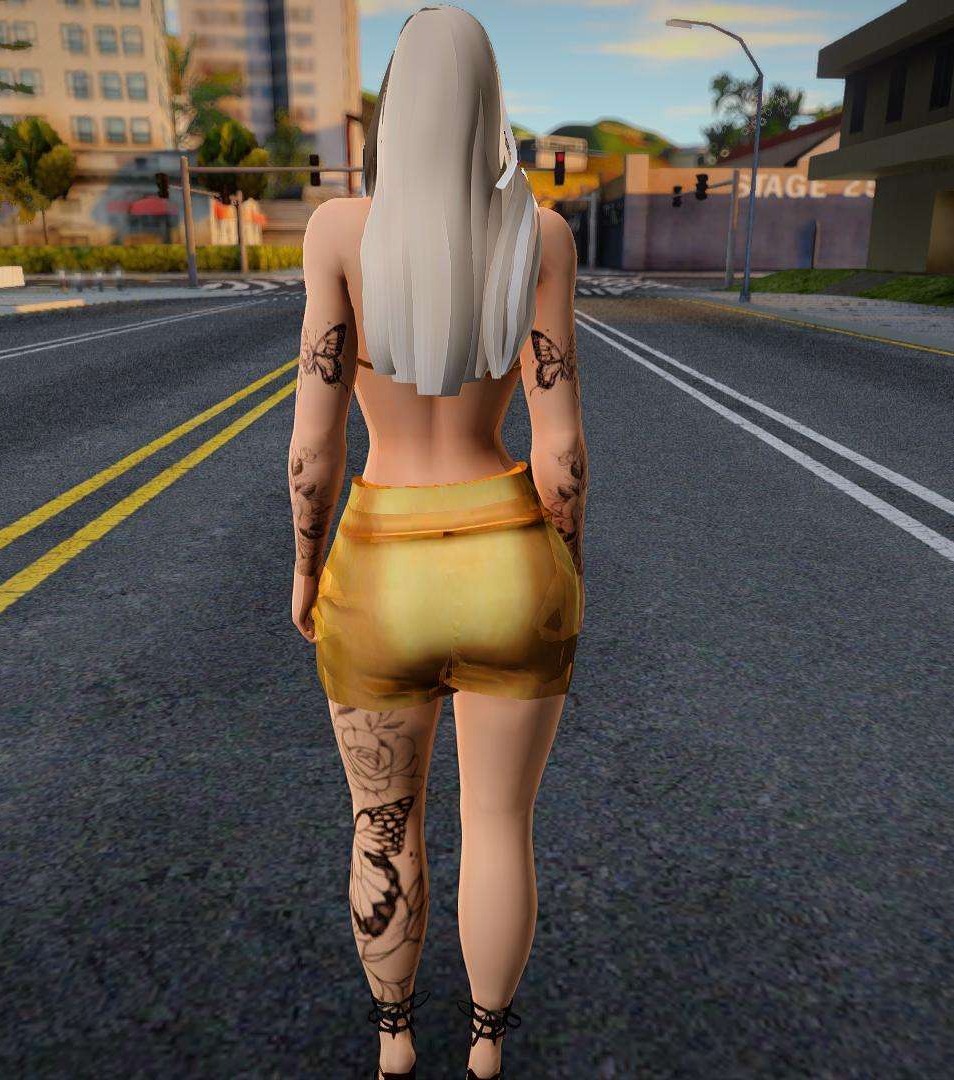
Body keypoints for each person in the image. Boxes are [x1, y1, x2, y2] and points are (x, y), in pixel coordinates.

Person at [283, 7, 586, 1079]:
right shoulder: (542, 236)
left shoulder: (337, 232)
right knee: (501, 825)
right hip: (508, 558)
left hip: (382, 567)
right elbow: (560, 449)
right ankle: (489, 1049)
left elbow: (313, 447)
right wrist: (566, 568)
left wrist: (306, 565)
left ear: (394, 107)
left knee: (383, 822)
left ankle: (395, 1037)